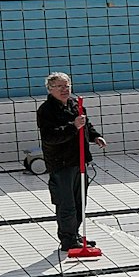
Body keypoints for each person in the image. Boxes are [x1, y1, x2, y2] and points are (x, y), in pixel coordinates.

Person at [36, 72, 104, 255]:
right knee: (66, 203)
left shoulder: (75, 104)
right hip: (61, 162)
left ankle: (75, 234)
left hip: (79, 160)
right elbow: (50, 137)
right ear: (50, 89)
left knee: (79, 200)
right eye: (60, 87)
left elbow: (86, 125)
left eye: (67, 86)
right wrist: (73, 126)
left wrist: (95, 136)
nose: (65, 90)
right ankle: (67, 239)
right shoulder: (47, 110)